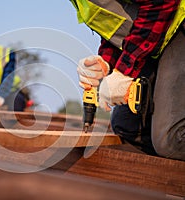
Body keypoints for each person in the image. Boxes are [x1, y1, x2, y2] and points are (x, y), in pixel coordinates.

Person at [71, 0, 185, 160]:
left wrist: (125, 71)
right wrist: (106, 62)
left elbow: (162, 2)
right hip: (158, 38)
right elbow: (121, 25)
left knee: (172, 140)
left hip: (178, 25)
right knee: (127, 129)